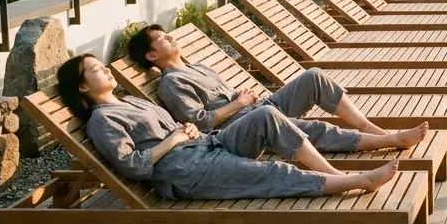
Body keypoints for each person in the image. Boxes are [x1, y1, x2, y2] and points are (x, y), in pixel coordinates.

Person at [58, 54, 399, 199]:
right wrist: (175, 139)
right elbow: (132, 166)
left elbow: (183, 126)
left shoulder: (132, 102)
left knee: (267, 116)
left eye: (103, 65)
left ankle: (336, 174)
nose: (105, 70)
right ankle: (354, 182)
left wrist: (186, 132)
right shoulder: (102, 122)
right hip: (186, 172)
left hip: (208, 144)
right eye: (96, 70)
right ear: (83, 88)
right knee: (272, 174)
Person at [127, 24, 427, 152]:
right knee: (306, 128)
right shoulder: (171, 83)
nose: (171, 39)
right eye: (163, 39)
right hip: (237, 128)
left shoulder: (196, 67)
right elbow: (200, 123)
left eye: (169, 35)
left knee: (314, 76)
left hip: (255, 108)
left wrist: (245, 100)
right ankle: (388, 142)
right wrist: (240, 103)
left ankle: (371, 128)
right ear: (152, 55)